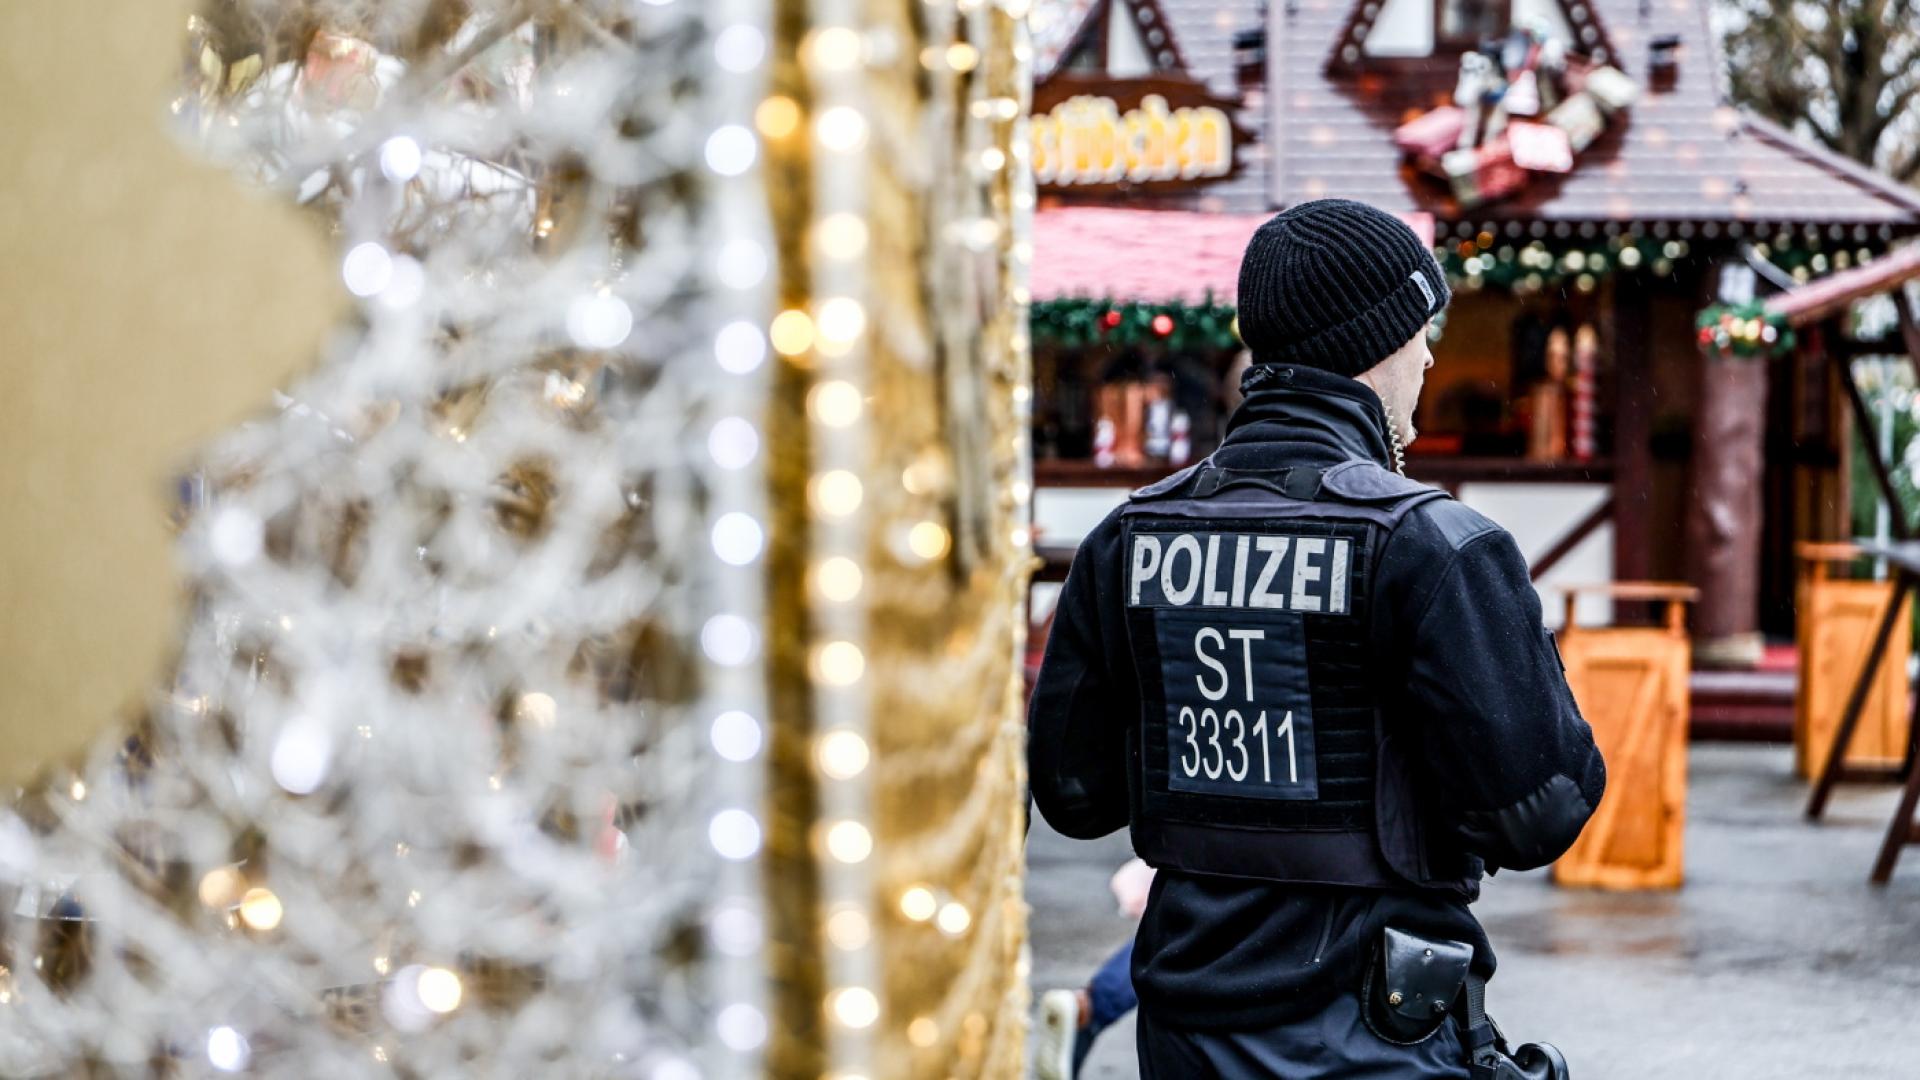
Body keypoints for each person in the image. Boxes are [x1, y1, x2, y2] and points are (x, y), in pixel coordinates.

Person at [1027, 199, 1603, 1079]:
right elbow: (1544, 809)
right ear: (1379, 344)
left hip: (1185, 1028)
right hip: (1381, 1035)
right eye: (1423, 331)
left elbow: (1075, 795)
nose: (1432, 355)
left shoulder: (1126, 538)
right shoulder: (1432, 545)